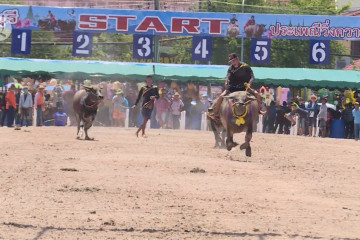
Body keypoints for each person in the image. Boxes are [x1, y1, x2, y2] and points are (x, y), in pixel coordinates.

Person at [208, 53, 263, 124]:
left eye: (233, 61)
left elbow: (252, 76)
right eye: (231, 61)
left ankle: (258, 111)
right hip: (232, 88)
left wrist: (249, 83)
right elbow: (227, 77)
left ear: (237, 59)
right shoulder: (230, 68)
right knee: (221, 96)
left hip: (244, 87)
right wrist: (226, 84)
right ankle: (216, 113)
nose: (232, 63)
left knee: (257, 94)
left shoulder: (245, 67)